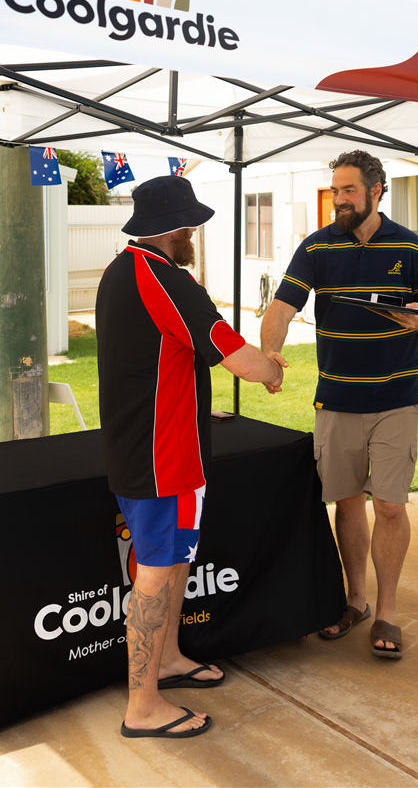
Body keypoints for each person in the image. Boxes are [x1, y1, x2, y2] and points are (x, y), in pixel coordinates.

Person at [96, 176, 283, 739]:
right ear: (173, 229)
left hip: (146, 450)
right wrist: (271, 368)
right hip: (163, 457)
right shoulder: (167, 279)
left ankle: (169, 658)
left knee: (174, 562)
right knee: (156, 573)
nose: (195, 233)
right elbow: (236, 356)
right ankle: (142, 706)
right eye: (191, 225)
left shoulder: (120, 270)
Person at [260, 151, 418, 659]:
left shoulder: (408, 245)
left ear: (375, 190)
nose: (339, 199)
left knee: (389, 505)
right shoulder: (317, 246)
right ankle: (356, 600)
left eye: (348, 190)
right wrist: (270, 350)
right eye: (336, 190)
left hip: (396, 399)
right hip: (337, 400)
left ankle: (387, 611)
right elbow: (282, 306)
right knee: (346, 502)